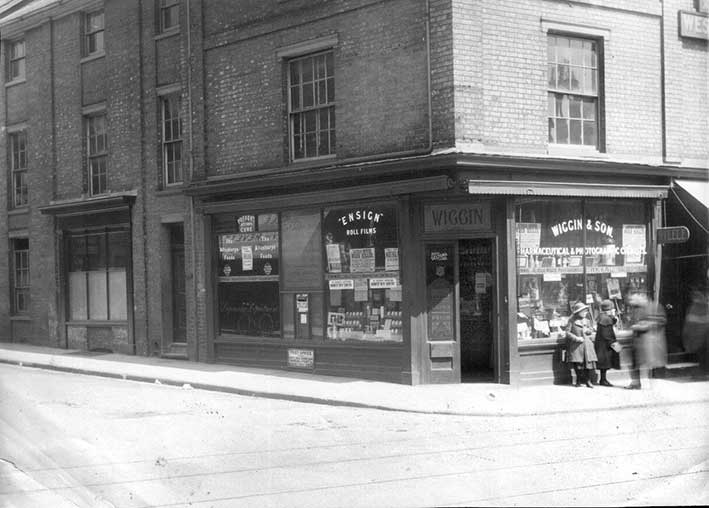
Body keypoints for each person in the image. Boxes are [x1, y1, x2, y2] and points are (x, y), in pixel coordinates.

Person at [626, 293, 667, 390]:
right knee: (634, 362)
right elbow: (631, 321)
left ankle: (653, 384)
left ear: (643, 297)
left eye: (634, 300)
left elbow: (661, 320)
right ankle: (636, 382)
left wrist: (644, 325)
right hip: (637, 340)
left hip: (650, 340)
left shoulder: (654, 306)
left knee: (651, 362)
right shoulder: (635, 309)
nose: (632, 303)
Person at [565, 301, 598, 388]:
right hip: (577, 346)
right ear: (578, 312)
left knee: (588, 364)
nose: (585, 313)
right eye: (583, 311)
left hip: (587, 345)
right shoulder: (571, 320)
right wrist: (576, 338)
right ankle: (578, 381)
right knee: (578, 364)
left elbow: (590, 330)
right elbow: (567, 333)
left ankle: (588, 381)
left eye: (585, 311)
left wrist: (589, 331)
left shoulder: (587, 320)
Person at [594, 299, 621, 386]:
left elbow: (610, 322)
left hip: (602, 344)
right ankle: (603, 380)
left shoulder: (602, 317)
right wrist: (614, 344)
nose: (614, 311)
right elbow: (607, 334)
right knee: (605, 363)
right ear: (608, 310)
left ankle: (603, 379)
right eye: (613, 309)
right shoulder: (605, 319)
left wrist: (614, 318)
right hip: (605, 345)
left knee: (604, 363)